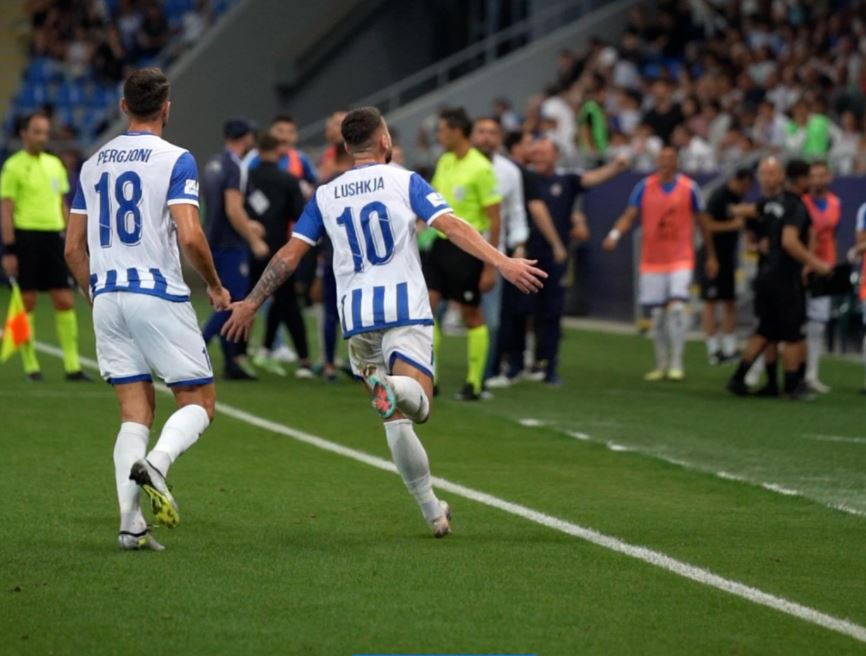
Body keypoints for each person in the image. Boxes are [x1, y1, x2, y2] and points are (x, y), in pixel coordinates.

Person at [220, 106, 546, 537]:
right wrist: (502, 260)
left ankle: (432, 510)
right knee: (421, 407)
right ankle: (392, 388)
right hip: (403, 308)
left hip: (356, 318)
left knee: (394, 418)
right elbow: (450, 225)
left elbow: (288, 256)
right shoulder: (404, 180)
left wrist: (251, 303)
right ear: (385, 141)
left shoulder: (326, 193)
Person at [63, 67, 231, 551]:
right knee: (199, 402)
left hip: (108, 296)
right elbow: (191, 233)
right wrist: (216, 287)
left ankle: (130, 525)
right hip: (155, 293)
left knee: (134, 413)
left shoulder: (92, 164)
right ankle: (158, 464)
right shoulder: (176, 159)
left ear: (122, 107)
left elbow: (74, 248)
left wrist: (94, 292)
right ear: (166, 108)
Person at [603, 146, 717, 381]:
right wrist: (614, 234)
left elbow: (703, 222)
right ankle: (661, 362)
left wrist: (711, 254)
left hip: (680, 257)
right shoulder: (644, 187)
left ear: (676, 162)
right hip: (653, 260)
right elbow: (630, 215)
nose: (664, 162)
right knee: (658, 314)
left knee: (676, 308)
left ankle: (677, 361)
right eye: (661, 158)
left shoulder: (689, 188)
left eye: (669, 158)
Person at [727, 157, 831, 400]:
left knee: (767, 330)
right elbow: (790, 241)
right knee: (794, 333)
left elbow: (750, 212)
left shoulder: (772, 203)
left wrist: (738, 216)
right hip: (785, 276)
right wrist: (817, 264)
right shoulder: (796, 205)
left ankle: (742, 377)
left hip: (765, 274)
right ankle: (793, 385)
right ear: (802, 179)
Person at [529, 138, 629, 384]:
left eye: (544, 153)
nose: (539, 157)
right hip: (526, 255)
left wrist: (616, 167)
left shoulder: (566, 180)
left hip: (556, 256)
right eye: (536, 153)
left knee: (553, 311)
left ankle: (549, 366)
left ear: (555, 156)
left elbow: (593, 178)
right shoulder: (527, 179)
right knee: (525, 312)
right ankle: (522, 361)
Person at [0, 111, 88, 382]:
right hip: (26, 238)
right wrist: (10, 250)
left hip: (53, 238)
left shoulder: (55, 165)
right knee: (26, 302)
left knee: (64, 299)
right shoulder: (13, 166)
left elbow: (63, 205)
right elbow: (6, 210)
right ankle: (31, 366)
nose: (41, 136)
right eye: (36, 131)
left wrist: (72, 237)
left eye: (45, 132)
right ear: (24, 133)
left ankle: (72, 366)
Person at [424, 107, 502, 401]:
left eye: (442, 130)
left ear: (457, 131)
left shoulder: (481, 167)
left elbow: (495, 218)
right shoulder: (444, 161)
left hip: (468, 249)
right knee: (426, 309)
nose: (439, 135)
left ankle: (474, 382)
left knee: (472, 314)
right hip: (440, 245)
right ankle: (432, 378)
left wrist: (490, 265)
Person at [200, 118, 269, 380]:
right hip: (230, 244)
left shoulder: (213, 164)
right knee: (234, 302)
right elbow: (233, 208)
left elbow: (217, 208)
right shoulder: (236, 167)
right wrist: (253, 238)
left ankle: (231, 363)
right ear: (247, 136)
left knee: (225, 299)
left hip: (214, 240)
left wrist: (247, 223)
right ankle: (197, 349)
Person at [244, 132, 310, 378]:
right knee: (288, 304)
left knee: (247, 302)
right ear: (278, 150)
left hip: (251, 248)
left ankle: (240, 354)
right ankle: (304, 360)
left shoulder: (247, 178)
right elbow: (299, 215)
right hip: (281, 252)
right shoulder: (288, 180)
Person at [470, 116, 529, 386]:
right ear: (471, 135)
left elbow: (515, 211)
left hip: (493, 253)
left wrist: (519, 243)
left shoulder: (509, 171)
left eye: (492, 132)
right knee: (431, 316)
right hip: (454, 252)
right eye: (481, 131)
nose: (486, 137)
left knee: (491, 320)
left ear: (500, 137)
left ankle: (485, 374)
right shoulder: (457, 164)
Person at [700, 168, 754, 364]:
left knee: (729, 300)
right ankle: (713, 349)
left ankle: (730, 348)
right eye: (746, 185)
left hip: (729, 256)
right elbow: (706, 225)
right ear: (740, 181)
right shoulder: (719, 195)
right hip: (713, 254)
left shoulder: (738, 199)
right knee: (711, 301)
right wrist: (711, 256)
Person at [802, 161, 841, 393]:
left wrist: (832, 264)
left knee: (818, 324)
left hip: (824, 268)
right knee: (791, 323)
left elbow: (832, 236)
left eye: (821, 175)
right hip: (803, 267)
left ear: (829, 177)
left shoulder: (836, 203)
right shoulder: (802, 203)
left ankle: (812, 374)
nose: (817, 180)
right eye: (813, 175)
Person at [244, 115, 318, 189]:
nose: (284, 137)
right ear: (270, 132)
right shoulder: (254, 157)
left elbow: (315, 184)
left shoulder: (302, 159)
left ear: (296, 136)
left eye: (290, 132)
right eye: (280, 131)